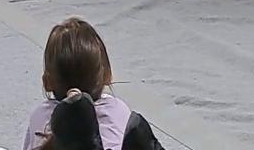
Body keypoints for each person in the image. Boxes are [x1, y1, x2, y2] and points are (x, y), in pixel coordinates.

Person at [23, 18, 163, 150]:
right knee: (138, 131)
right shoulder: (118, 110)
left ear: (47, 82)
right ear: (107, 75)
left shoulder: (39, 115)